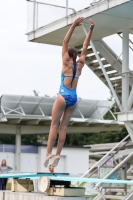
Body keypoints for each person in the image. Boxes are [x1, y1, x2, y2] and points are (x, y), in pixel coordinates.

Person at [44, 17, 95, 169]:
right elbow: (86, 46)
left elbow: (65, 41)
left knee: (53, 126)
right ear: (77, 55)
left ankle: (48, 154)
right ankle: (58, 153)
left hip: (63, 96)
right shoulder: (80, 64)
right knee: (63, 127)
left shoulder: (66, 62)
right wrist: (91, 29)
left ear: (68, 55)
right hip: (73, 97)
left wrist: (73, 25)